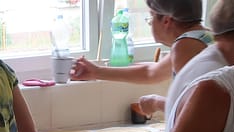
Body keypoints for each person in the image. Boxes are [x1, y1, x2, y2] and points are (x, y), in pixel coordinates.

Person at [70, 0, 211, 117]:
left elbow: (194, 110)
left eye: (151, 19)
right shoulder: (206, 36)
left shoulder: (185, 46)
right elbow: (151, 73)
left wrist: (157, 102)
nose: (150, 24)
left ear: (167, 21)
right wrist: (96, 72)